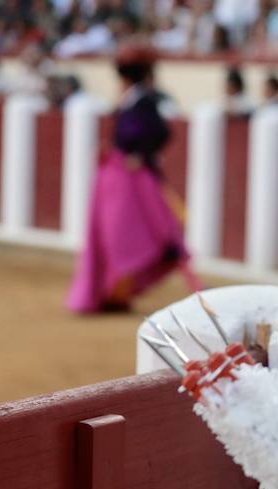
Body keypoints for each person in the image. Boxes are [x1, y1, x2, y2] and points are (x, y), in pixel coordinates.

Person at [65, 44, 193, 315]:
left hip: (132, 178)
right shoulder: (134, 98)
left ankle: (118, 291)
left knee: (123, 234)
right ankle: (115, 293)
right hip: (122, 176)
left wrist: (140, 154)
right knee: (118, 234)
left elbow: (161, 133)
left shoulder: (143, 100)